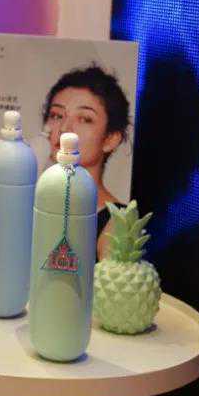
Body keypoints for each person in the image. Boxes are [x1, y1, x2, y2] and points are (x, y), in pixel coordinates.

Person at [40, 64, 131, 258]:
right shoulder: (31, 202)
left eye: (85, 119)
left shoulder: (117, 223)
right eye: (56, 115)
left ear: (110, 139)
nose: (64, 128)